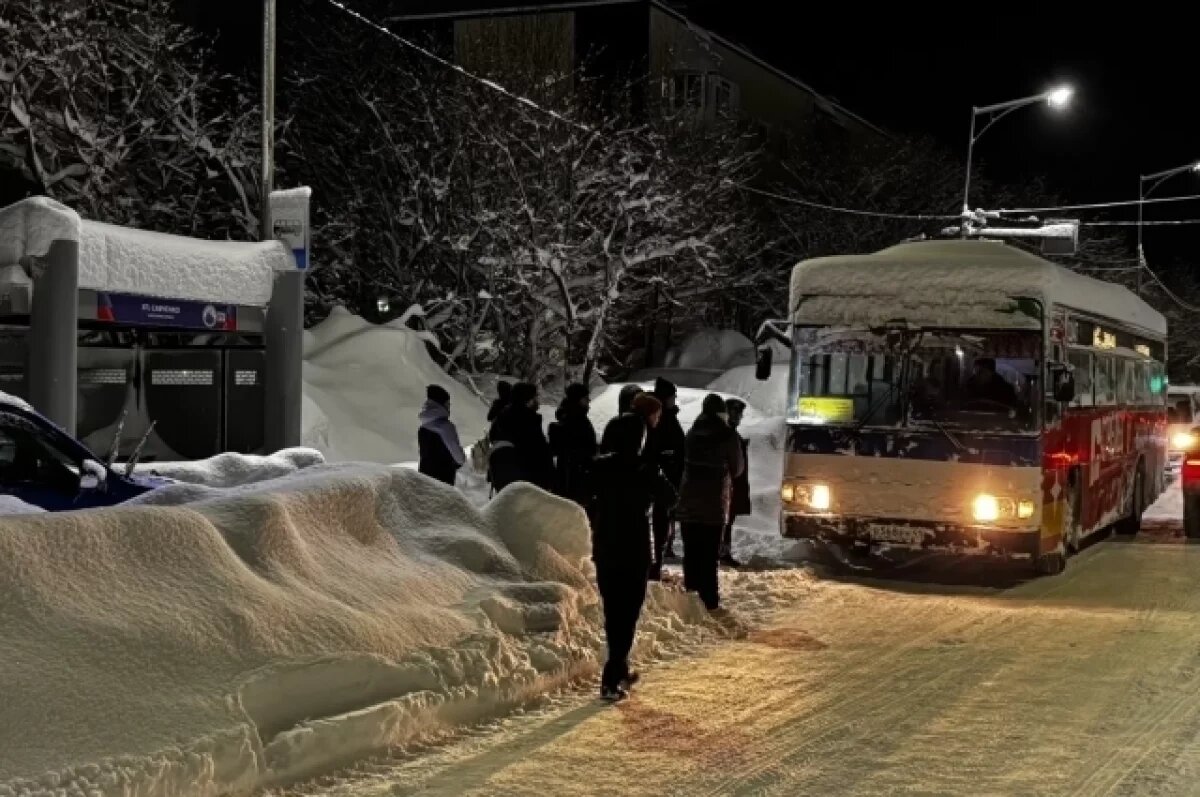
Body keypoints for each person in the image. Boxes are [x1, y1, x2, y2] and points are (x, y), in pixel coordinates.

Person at [589, 412, 677, 702]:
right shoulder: (645, 468)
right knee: (627, 614)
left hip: (605, 547)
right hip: (635, 548)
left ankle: (620, 669)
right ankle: (611, 677)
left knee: (614, 612)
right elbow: (670, 497)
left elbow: (582, 494)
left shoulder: (600, 467)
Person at [674, 393, 744, 611]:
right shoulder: (728, 436)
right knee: (709, 555)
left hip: (688, 503)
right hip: (713, 505)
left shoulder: (692, 433)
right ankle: (709, 601)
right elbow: (738, 468)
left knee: (691, 553)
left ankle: (691, 596)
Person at [648, 378, 686, 578]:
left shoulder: (668, 416)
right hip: (663, 477)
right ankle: (655, 563)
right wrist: (669, 458)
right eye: (672, 396)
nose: (674, 399)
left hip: (669, 475)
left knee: (664, 520)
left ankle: (658, 559)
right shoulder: (661, 418)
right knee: (660, 520)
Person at [488, 382, 554, 492]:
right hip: (529, 484)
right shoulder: (528, 421)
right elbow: (538, 455)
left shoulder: (503, 417)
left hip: (509, 484)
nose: (538, 400)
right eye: (535, 396)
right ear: (528, 400)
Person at [548, 383, 597, 508]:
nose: (589, 401)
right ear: (578, 399)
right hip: (575, 478)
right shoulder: (576, 420)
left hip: (569, 476)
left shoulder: (571, 417)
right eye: (586, 398)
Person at [721, 398, 751, 567]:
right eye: (738, 414)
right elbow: (735, 465)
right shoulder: (728, 435)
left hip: (731, 485)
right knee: (725, 520)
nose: (740, 418)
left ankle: (724, 551)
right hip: (729, 486)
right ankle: (723, 552)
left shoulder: (731, 434)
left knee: (727, 520)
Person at [417, 385, 465, 486]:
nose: (449, 407)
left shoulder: (423, 428)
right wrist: (461, 461)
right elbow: (458, 456)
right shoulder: (445, 427)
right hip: (443, 479)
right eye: (448, 403)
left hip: (424, 477)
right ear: (441, 404)